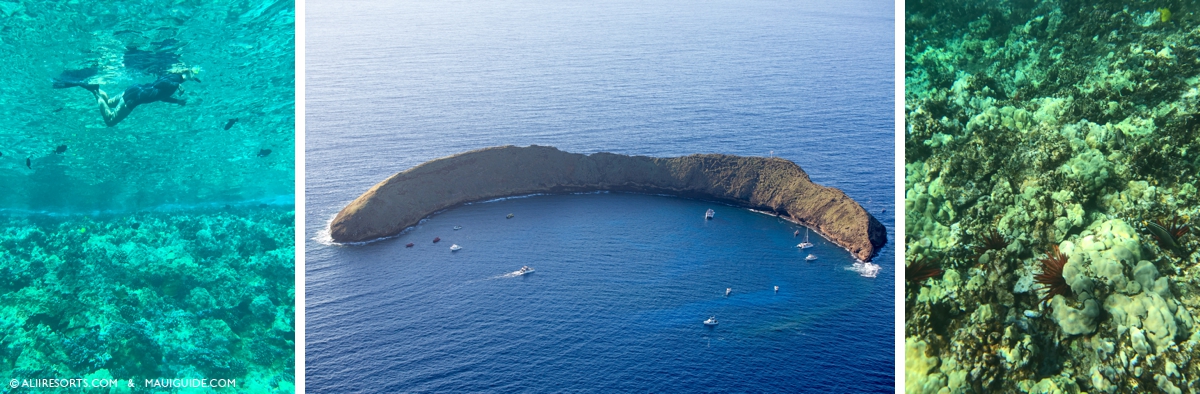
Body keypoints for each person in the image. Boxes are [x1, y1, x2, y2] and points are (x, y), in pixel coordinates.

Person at [54, 65, 199, 127]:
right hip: (135, 98)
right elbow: (162, 96)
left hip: (135, 88)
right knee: (110, 121)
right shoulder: (174, 85)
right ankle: (94, 90)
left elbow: (160, 89)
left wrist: (177, 97)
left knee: (110, 102)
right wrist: (178, 97)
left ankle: (96, 88)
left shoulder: (171, 75)